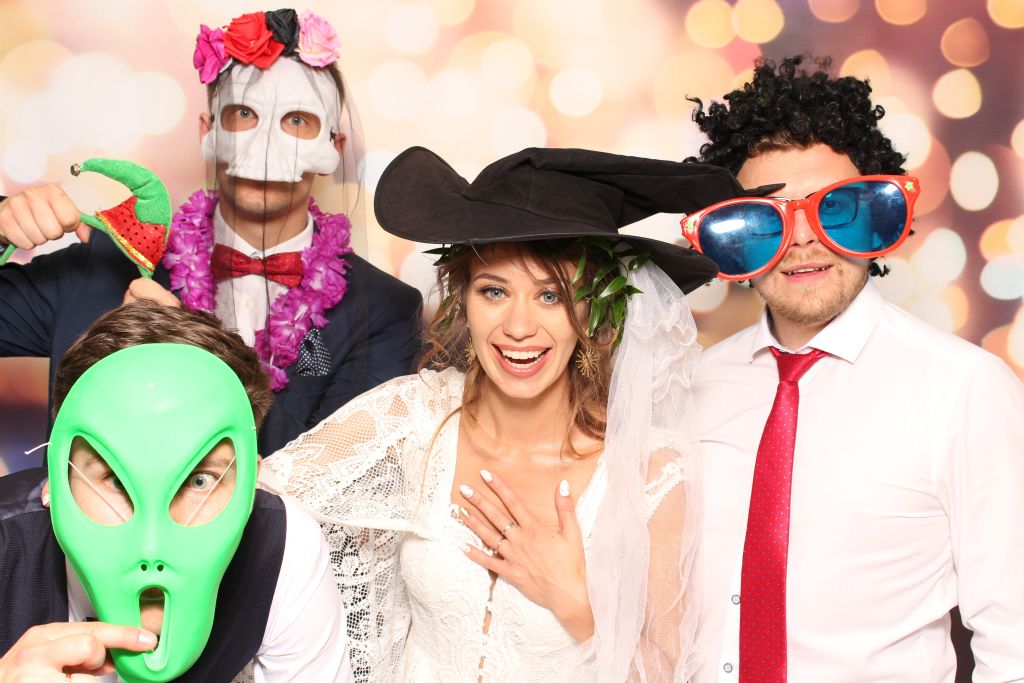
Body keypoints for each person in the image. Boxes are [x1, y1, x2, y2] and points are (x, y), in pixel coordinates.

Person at [258, 145, 770, 682]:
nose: (518, 327)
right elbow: (254, 498)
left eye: (551, 296)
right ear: (463, 299)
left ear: (594, 313)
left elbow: (667, 672)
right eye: (494, 291)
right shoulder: (412, 416)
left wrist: (573, 599)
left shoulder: (648, 472)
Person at [683, 55, 1024, 682]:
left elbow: (1015, 639)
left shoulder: (965, 389)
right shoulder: (693, 385)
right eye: (769, 217)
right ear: (736, 235)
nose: (803, 240)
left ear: (875, 215)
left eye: (834, 209)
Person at [0, 8, 422, 456]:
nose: (265, 148)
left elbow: (343, 475)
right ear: (208, 132)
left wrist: (191, 358)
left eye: (297, 121)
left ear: (334, 149)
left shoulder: (385, 312)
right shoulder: (105, 262)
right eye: (244, 113)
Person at [0, 300, 353, 682]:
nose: (151, 547)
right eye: (115, 482)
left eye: (200, 481)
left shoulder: (284, 547)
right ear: (54, 482)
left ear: (251, 484)